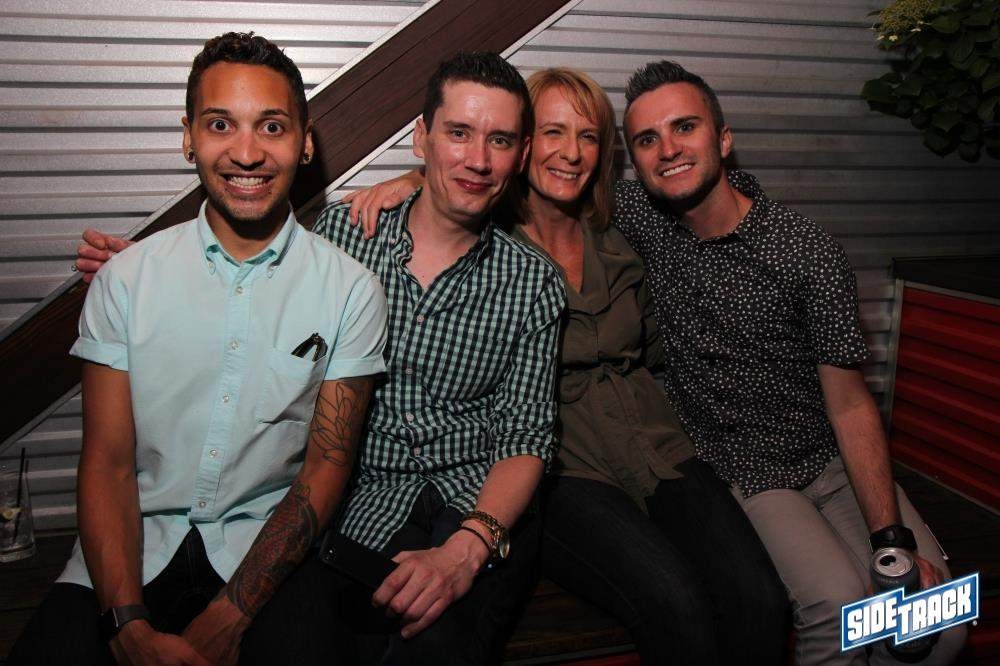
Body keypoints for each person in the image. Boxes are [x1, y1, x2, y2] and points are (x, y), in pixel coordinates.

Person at [76, 51, 565, 665]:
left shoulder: (533, 281)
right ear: (422, 138)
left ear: (521, 154)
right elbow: (254, 268)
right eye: (459, 133)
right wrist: (149, 268)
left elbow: (526, 436)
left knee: (434, 649)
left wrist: (467, 549)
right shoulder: (345, 234)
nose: (478, 159)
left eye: (501, 140)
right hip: (363, 504)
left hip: (476, 506)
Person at [342, 67, 789, 665]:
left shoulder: (624, 224)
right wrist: (412, 177)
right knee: (676, 603)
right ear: (525, 145)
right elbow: (455, 181)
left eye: (588, 136)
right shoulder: (490, 238)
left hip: (655, 444)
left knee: (759, 600)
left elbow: (709, 186)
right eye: (554, 132)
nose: (572, 153)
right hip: (564, 466)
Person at [12, 32, 388, 666]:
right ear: (188, 137)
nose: (247, 152)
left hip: (265, 550)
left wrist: (231, 615)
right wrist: (125, 622)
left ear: (305, 142)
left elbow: (325, 467)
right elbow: (106, 463)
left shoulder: (350, 289)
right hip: (131, 548)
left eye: (272, 126)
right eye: (220, 124)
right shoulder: (126, 281)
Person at [614, 60, 966, 665]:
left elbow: (849, 403)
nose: (667, 149)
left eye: (685, 127)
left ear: (724, 139)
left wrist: (891, 540)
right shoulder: (642, 216)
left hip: (830, 458)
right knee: (837, 606)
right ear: (636, 161)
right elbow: (539, 176)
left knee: (939, 623)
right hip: (745, 471)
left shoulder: (806, 251)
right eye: (647, 139)